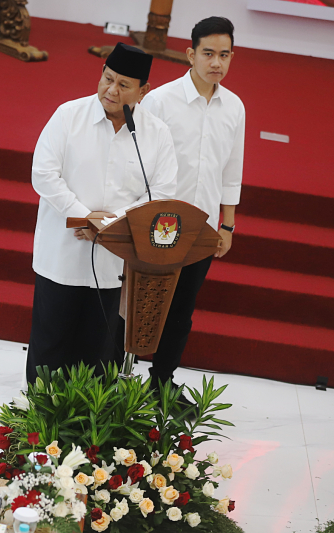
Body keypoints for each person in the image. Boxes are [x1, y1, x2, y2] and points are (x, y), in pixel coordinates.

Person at [26, 42, 178, 384]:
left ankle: (87, 436)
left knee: (97, 358)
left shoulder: (156, 135)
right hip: (61, 259)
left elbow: (162, 193)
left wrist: (108, 225)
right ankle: (38, 431)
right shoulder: (68, 116)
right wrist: (85, 217)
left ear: (144, 91)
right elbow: (44, 174)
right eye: (107, 79)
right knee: (48, 354)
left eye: (124, 85)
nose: (111, 90)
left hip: (113, 265)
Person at [136, 16, 245, 401]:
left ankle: (161, 382)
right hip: (157, 223)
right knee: (139, 304)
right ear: (191, 53)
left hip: (202, 229)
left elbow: (232, 169)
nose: (217, 63)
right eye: (209, 53)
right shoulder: (161, 101)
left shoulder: (234, 108)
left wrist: (227, 225)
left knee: (181, 311)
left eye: (225, 55)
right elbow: (139, 162)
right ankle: (113, 376)